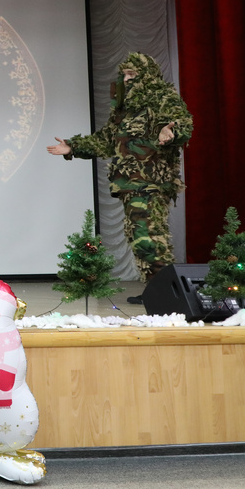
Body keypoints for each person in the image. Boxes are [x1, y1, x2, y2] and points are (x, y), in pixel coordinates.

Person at [46, 52, 193, 304]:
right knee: (141, 236)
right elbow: (106, 140)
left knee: (148, 236)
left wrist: (170, 132)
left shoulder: (162, 98)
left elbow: (182, 124)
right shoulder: (125, 110)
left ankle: (168, 293)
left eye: (132, 75)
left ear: (146, 76)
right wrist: (73, 146)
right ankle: (159, 290)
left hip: (150, 182)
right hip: (130, 183)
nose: (126, 80)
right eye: (124, 75)